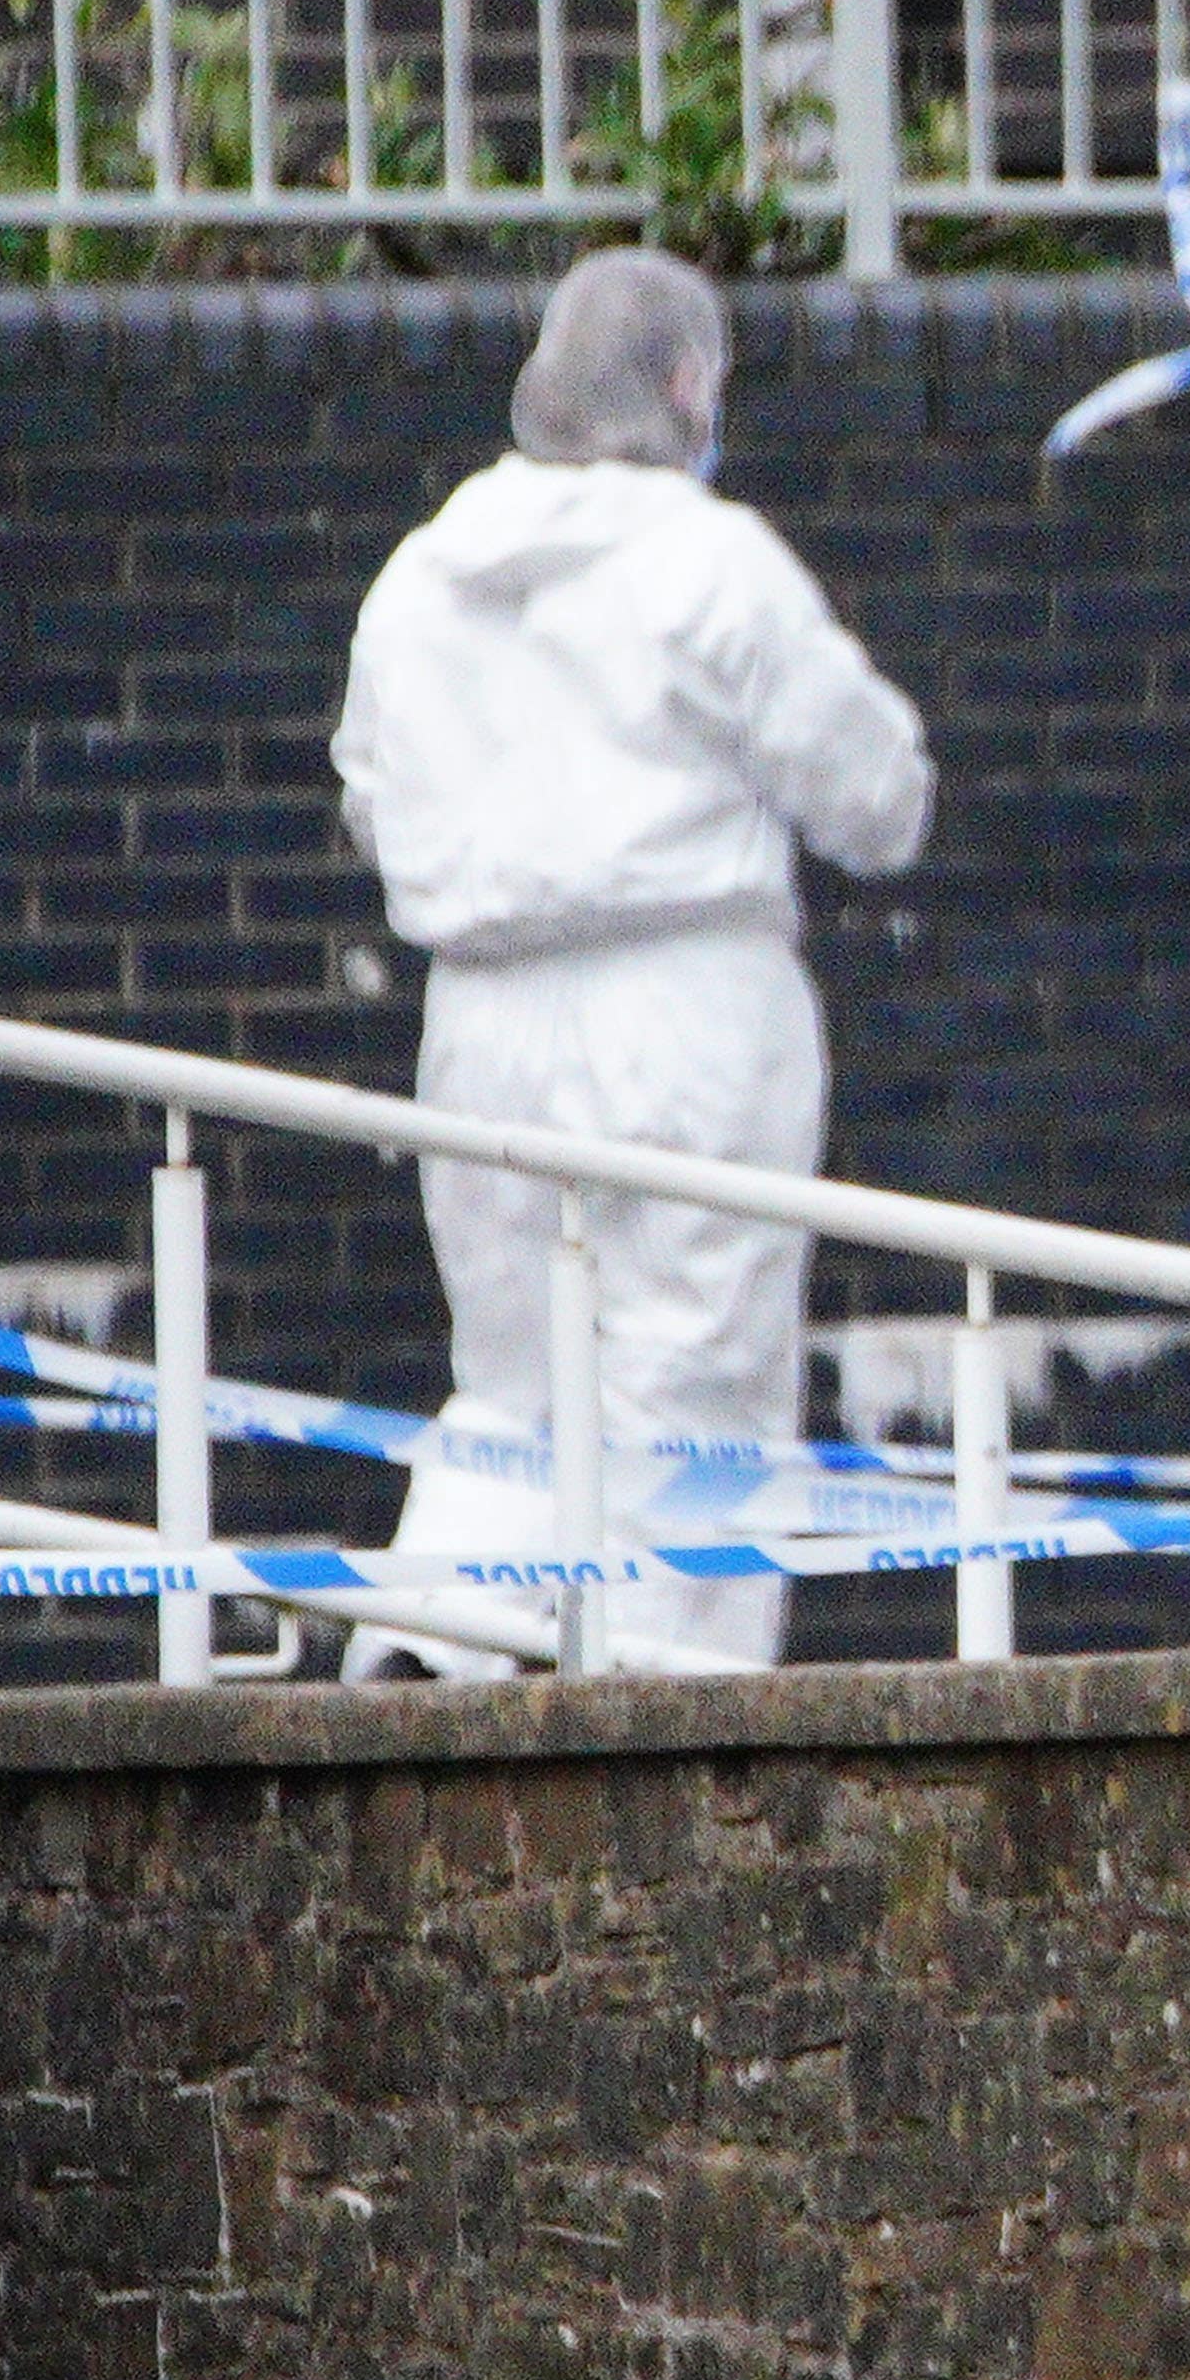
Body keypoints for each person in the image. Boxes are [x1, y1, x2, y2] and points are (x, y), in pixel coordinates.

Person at [333, 246, 934, 1673]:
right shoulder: (704, 559)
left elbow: (369, 796)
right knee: (692, 1382)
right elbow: (877, 795)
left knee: (510, 1379)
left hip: (477, 1018)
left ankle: (446, 1642)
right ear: (684, 383)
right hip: (687, 1006)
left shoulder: (422, 578)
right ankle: (678, 1712)